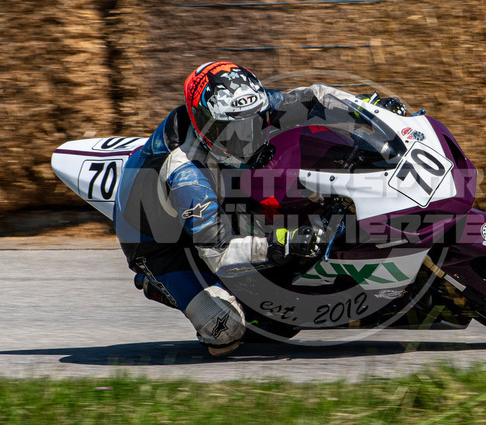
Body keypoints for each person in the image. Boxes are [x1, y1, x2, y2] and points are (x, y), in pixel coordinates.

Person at [113, 61, 406, 356]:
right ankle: (158, 283)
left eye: (253, 123)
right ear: (204, 123)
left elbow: (315, 98)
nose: (245, 138)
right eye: (230, 131)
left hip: (222, 190)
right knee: (224, 330)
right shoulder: (187, 175)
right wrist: (283, 242)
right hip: (161, 242)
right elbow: (218, 250)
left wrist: (371, 111)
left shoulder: (249, 107)